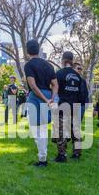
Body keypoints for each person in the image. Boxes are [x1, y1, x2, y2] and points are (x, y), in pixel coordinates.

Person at [24, 39, 59, 167]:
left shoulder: (29, 65)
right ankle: (42, 156)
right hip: (48, 95)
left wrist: (45, 99)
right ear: (38, 50)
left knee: (37, 129)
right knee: (42, 127)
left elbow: (33, 86)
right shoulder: (49, 65)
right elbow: (55, 84)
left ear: (28, 51)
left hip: (37, 96)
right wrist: (52, 98)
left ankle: (42, 159)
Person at [53, 52, 88, 162]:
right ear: (72, 61)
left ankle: (62, 155)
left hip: (63, 105)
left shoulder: (59, 73)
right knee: (75, 130)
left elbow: (54, 89)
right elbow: (82, 94)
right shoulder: (78, 76)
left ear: (63, 60)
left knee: (61, 131)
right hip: (76, 106)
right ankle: (77, 153)